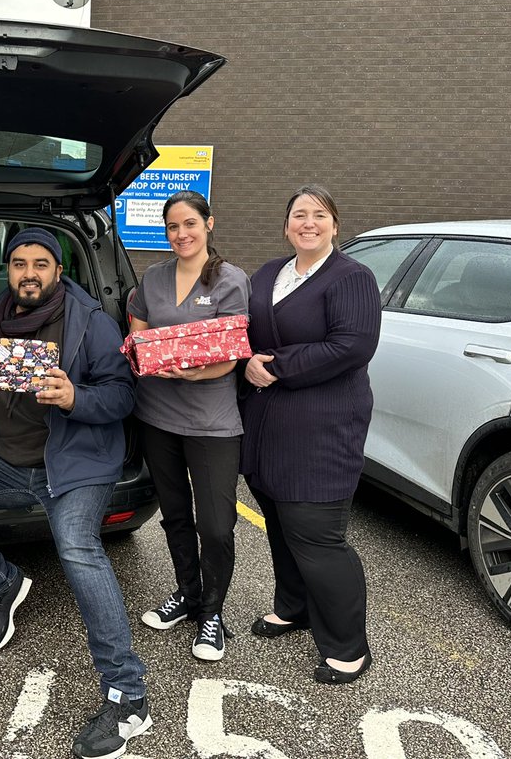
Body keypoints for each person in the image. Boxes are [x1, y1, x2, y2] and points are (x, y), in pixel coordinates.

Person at [0, 227, 151, 759]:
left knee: (77, 549)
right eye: (19, 263)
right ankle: (1, 585)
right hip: (8, 460)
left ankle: (128, 697)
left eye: (40, 263)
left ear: (58, 269)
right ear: (8, 270)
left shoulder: (88, 321)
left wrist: (75, 398)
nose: (29, 273)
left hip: (73, 464)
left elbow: (122, 395)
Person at [239, 185, 381, 685]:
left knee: (319, 538)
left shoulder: (352, 277)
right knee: (279, 524)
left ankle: (348, 646)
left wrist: (275, 366)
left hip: (322, 429)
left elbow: (352, 344)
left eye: (319, 215)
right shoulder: (267, 273)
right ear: (286, 226)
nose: (308, 223)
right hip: (266, 426)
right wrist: (245, 359)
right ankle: (293, 608)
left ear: (335, 226)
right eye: (299, 215)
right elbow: (244, 332)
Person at [128, 191, 250, 661]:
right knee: (175, 515)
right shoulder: (153, 277)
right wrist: (144, 353)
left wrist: (194, 371)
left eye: (190, 224)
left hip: (211, 421)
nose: (181, 234)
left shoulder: (229, 280)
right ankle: (188, 593)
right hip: (157, 414)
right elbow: (136, 330)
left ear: (208, 224)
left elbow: (233, 349)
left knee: (217, 525)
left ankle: (213, 613)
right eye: (173, 226)